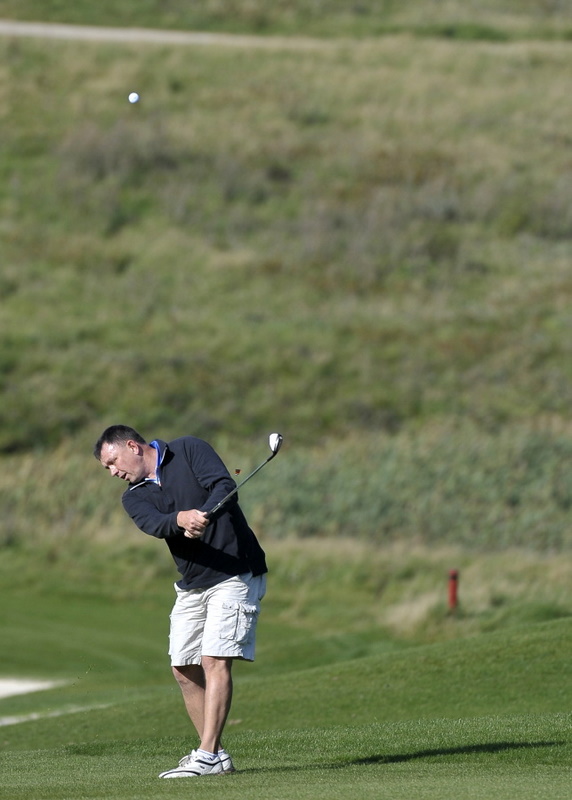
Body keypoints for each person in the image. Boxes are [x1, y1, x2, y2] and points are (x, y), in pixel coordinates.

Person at [93, 424, 267, 779]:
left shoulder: (188, 450)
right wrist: (180, 519)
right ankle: (216, 757)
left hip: (235, 571)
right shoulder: (133, 497)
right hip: (193, 583)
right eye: (106, 468)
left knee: (213, 659)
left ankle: (206, 754)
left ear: (132, 446)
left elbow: (223, 486)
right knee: (183, 668)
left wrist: (204, 513)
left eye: (112, 462)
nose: (112, 472)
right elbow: (155, 524)